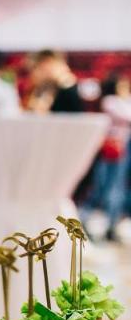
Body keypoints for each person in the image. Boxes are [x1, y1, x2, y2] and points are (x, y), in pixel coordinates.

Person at [86, 75, 131, 242]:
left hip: (123, 148)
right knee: (107, 187)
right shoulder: (111, 101)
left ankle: (112, 224)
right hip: (113, 149)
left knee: (116, 188)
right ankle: (94, 221)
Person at [28, 49, 83, 114]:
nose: (46, 69)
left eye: (49, 63)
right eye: (42, 66)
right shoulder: (42, 87)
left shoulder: (69, 88)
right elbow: (34, 110)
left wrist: (64, 80)